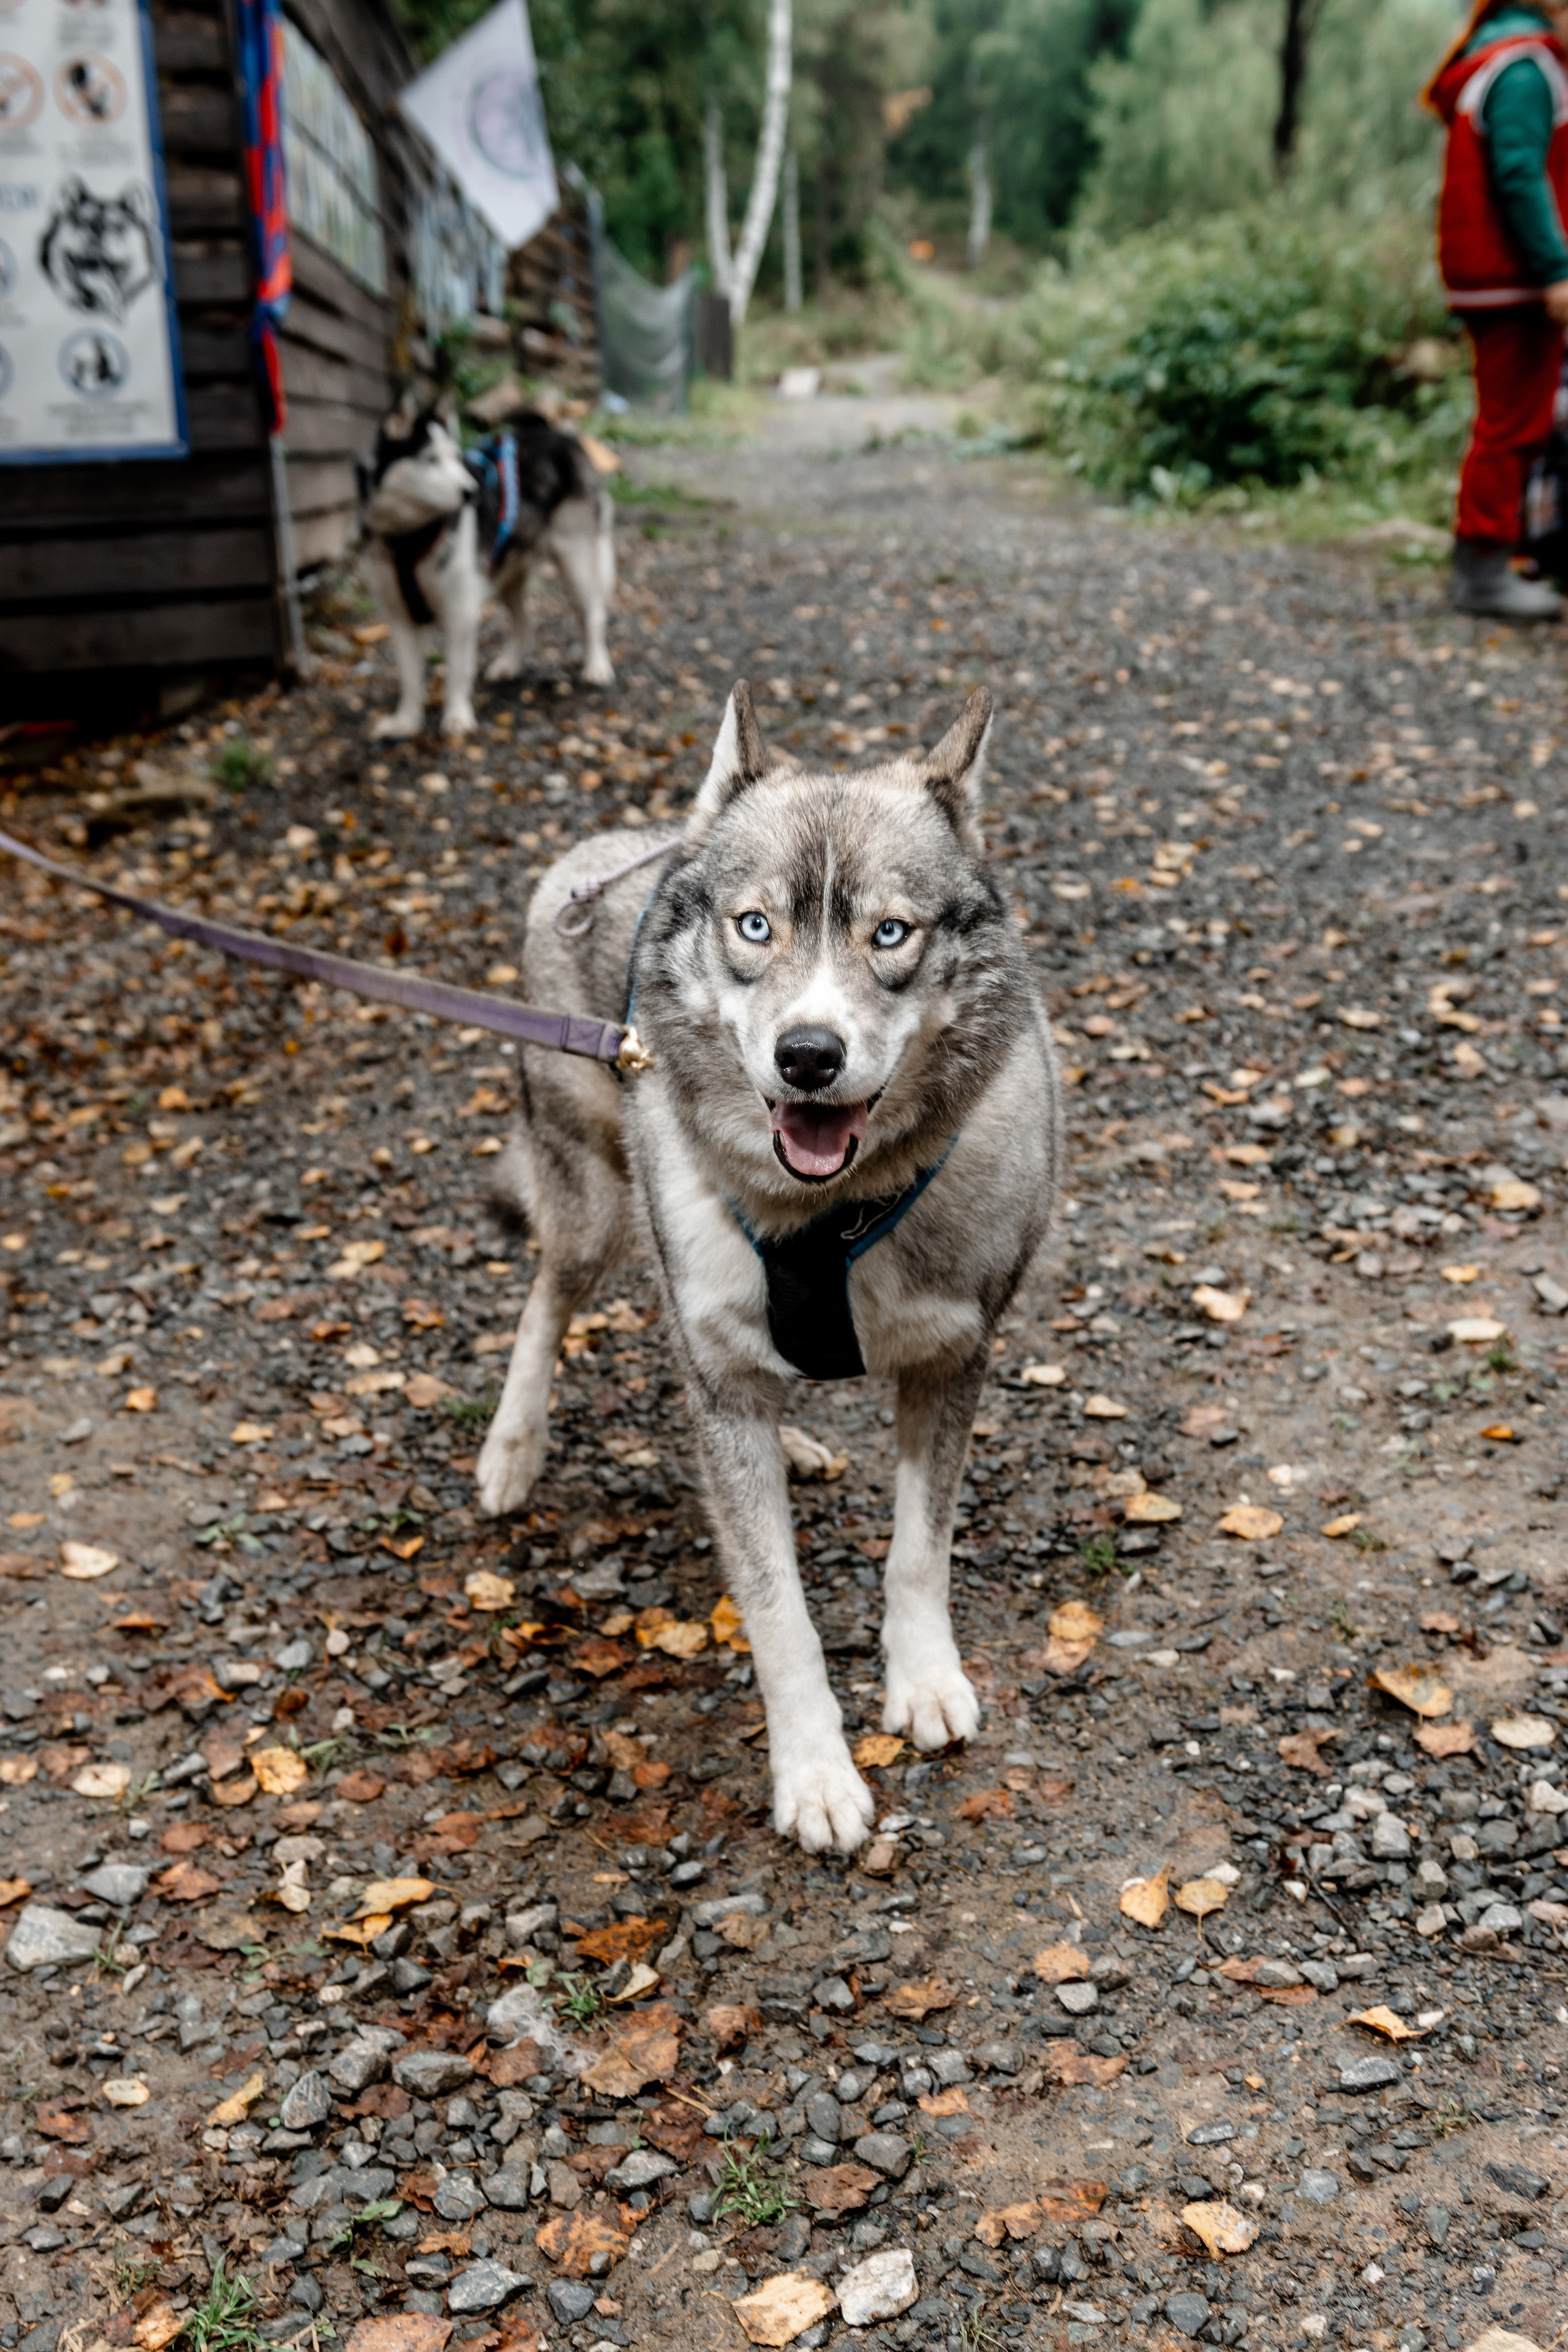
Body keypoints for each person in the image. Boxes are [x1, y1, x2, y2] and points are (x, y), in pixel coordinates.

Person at [1425, 0, 1568, 619]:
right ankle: (1483, 570)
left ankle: (1487, 562)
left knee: (1511, 421)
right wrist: (1556, 269)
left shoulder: (1502, 59)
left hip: (1496, 275)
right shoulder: (1525, 69)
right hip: (1511, 278)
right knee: (1512, 425)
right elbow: (1518, 174)